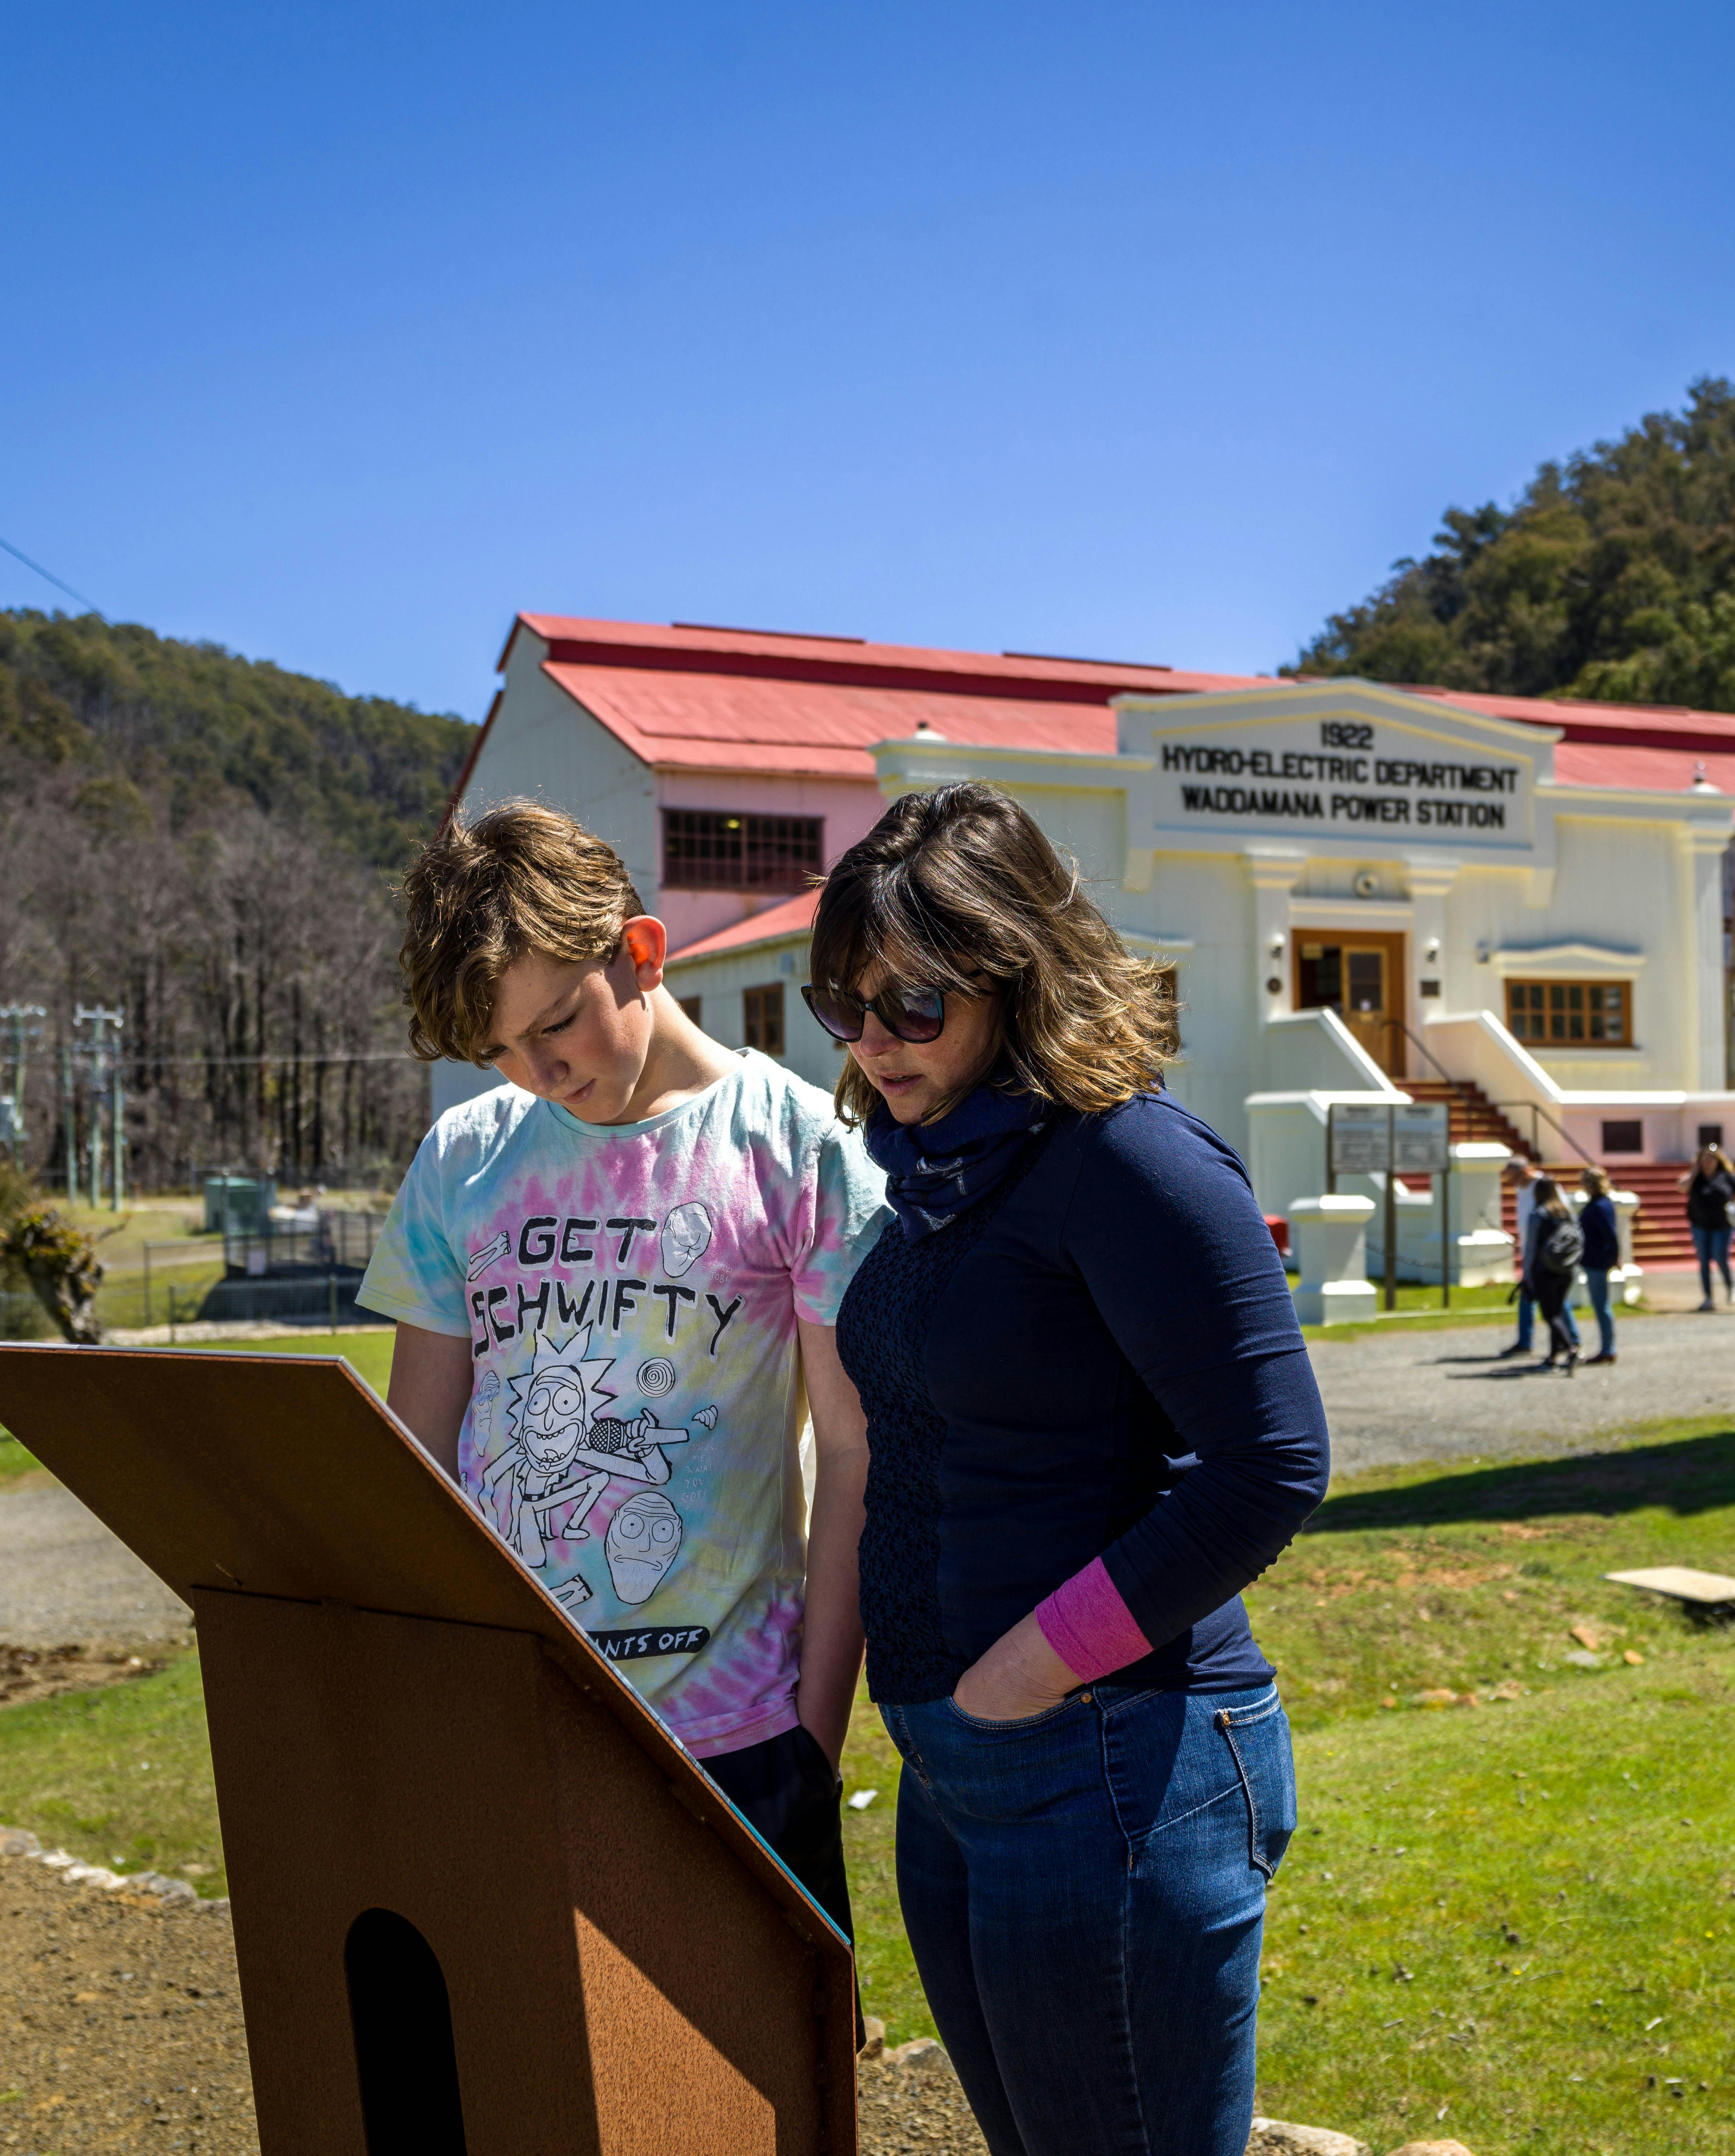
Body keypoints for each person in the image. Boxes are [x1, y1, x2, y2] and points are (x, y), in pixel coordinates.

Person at [809, 780, 1329, 2156]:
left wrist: (1027, 1669)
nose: (873, 1040)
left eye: (912, 1004)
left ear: (1013, 973)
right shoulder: (928, 1167)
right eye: (844, 1006)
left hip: (1110, 1762)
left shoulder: (1129, 1157)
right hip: (958, 1767)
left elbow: (1271, 1462)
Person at [362, 801, 887, 1941]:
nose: (537, 1071)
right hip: (517, 1729)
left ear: (641, 953)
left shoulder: (798, 1145)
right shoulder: (464, 1158)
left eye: (557, 1023)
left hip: (736, 1743)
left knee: (752, 2107)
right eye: (500, 1050)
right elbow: (416, 1463)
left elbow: (853, 1454)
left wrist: (815, 1733)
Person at [1498, 1174, 1581, 1371]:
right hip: (1566, 1270)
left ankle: (1571, 1348)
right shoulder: (1566, 1213)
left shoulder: (1539, 1214)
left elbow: (1531, 1248)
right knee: (1558, 1312)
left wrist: (1527, 1274)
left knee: (1551, 1315)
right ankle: (1553, 1357)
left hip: (1545, 1271)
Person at [1686, 1142, 1735, 1311]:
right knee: (1704, 1261)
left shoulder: (1725, 1176)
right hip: (1700, 1224)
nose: (1708, 1163)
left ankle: (1731, 1287)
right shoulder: (1696, 1177)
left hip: (1722, 1224)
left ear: (1718, 1161)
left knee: (1720, 1257)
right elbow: (1682, 1188)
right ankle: (1708, 1298)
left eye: (1711, 1159)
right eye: (1704, 1160)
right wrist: (1694, 1173)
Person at [1576, 1165, 1621, 1365]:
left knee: (1601, 1305)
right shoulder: (1598, 1204)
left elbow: (1610, 1235)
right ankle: (1607, 1348)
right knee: (1600, 1304)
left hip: (1598, 1261)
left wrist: (1613, 1257)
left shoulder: (1600, 1206)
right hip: (1594, 1259)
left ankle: (1608, 1349)